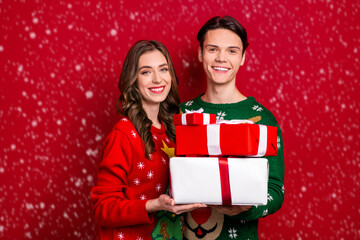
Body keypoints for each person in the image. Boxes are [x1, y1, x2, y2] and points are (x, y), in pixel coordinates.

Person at [180, 16, 285, 239]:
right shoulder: (181, 115)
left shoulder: (262, 118)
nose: (221, 58)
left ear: (243, 58)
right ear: (200, 54)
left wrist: (247, 208)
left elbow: (276, 190)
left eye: (232, 51)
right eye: (212, 49)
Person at [91, 40, 206, 240]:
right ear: (133, 80)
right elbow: (103, 208)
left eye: (163, 69)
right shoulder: (123, 134)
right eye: (146, 72)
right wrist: (154, 205)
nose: (157, 79)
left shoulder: (174, 131)